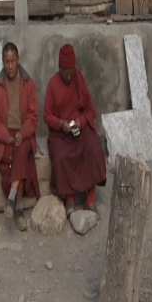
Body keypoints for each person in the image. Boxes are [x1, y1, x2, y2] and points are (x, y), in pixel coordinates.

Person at [43, 43, 106, 217]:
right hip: (61, 133)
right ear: (59, 68)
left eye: (71, 71)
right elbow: (47, 115)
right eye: (65, 72)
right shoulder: (53, 84)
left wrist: (81, 121)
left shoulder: (79, 78)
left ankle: (90, 199)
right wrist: (60, 123)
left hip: (79, 129)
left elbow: (89, 110)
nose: (69, 75)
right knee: (62, 156)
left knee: (94, 147)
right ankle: (69, 198)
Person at [0, 42, 40, 231]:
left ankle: (11, 199)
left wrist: (22, 133)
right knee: (17, 158)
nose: (10, 66)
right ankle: (18, 208)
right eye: (6, 62)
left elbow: (33, 118)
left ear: (18, 60)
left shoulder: (29, 83)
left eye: (13, 61)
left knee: (22, 149)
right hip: (5, 137)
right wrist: (7, 136)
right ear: (2, 62)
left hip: (24, 134)